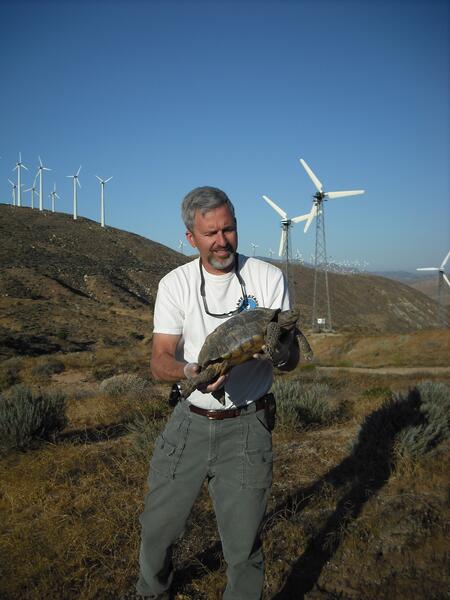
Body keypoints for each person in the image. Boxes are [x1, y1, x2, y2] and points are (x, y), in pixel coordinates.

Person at [136, 186, 299, 600]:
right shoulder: (175, 284)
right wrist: (190, 371)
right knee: (157, 530)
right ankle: (151, 593)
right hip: (189, 421)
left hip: (248, 425)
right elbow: (160, 360)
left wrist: (278, 350)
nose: (222, 240)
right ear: (191, 237)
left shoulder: (268, 278)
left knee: (243, 547)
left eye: (229, 229)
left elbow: (289, 358)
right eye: (210, 233)